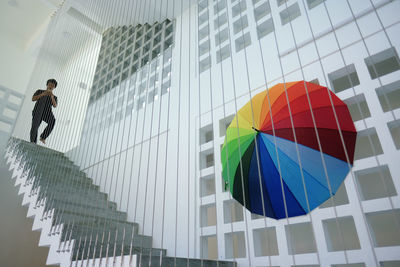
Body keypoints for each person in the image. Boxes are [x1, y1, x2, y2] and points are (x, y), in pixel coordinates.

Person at [30, 79, 58, 144]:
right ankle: (33, 142)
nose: (51, 86)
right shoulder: (39, 91)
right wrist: (43, 94)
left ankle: (43, 137)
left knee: (52, 121)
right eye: (50, 84)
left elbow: (55, 105)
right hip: (37, 111)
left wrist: (51, 96)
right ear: (47, 84)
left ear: (54, 87)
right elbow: (33, 99)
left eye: (53, 86)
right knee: (34, 127)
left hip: (47, 113)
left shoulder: (54, 97)